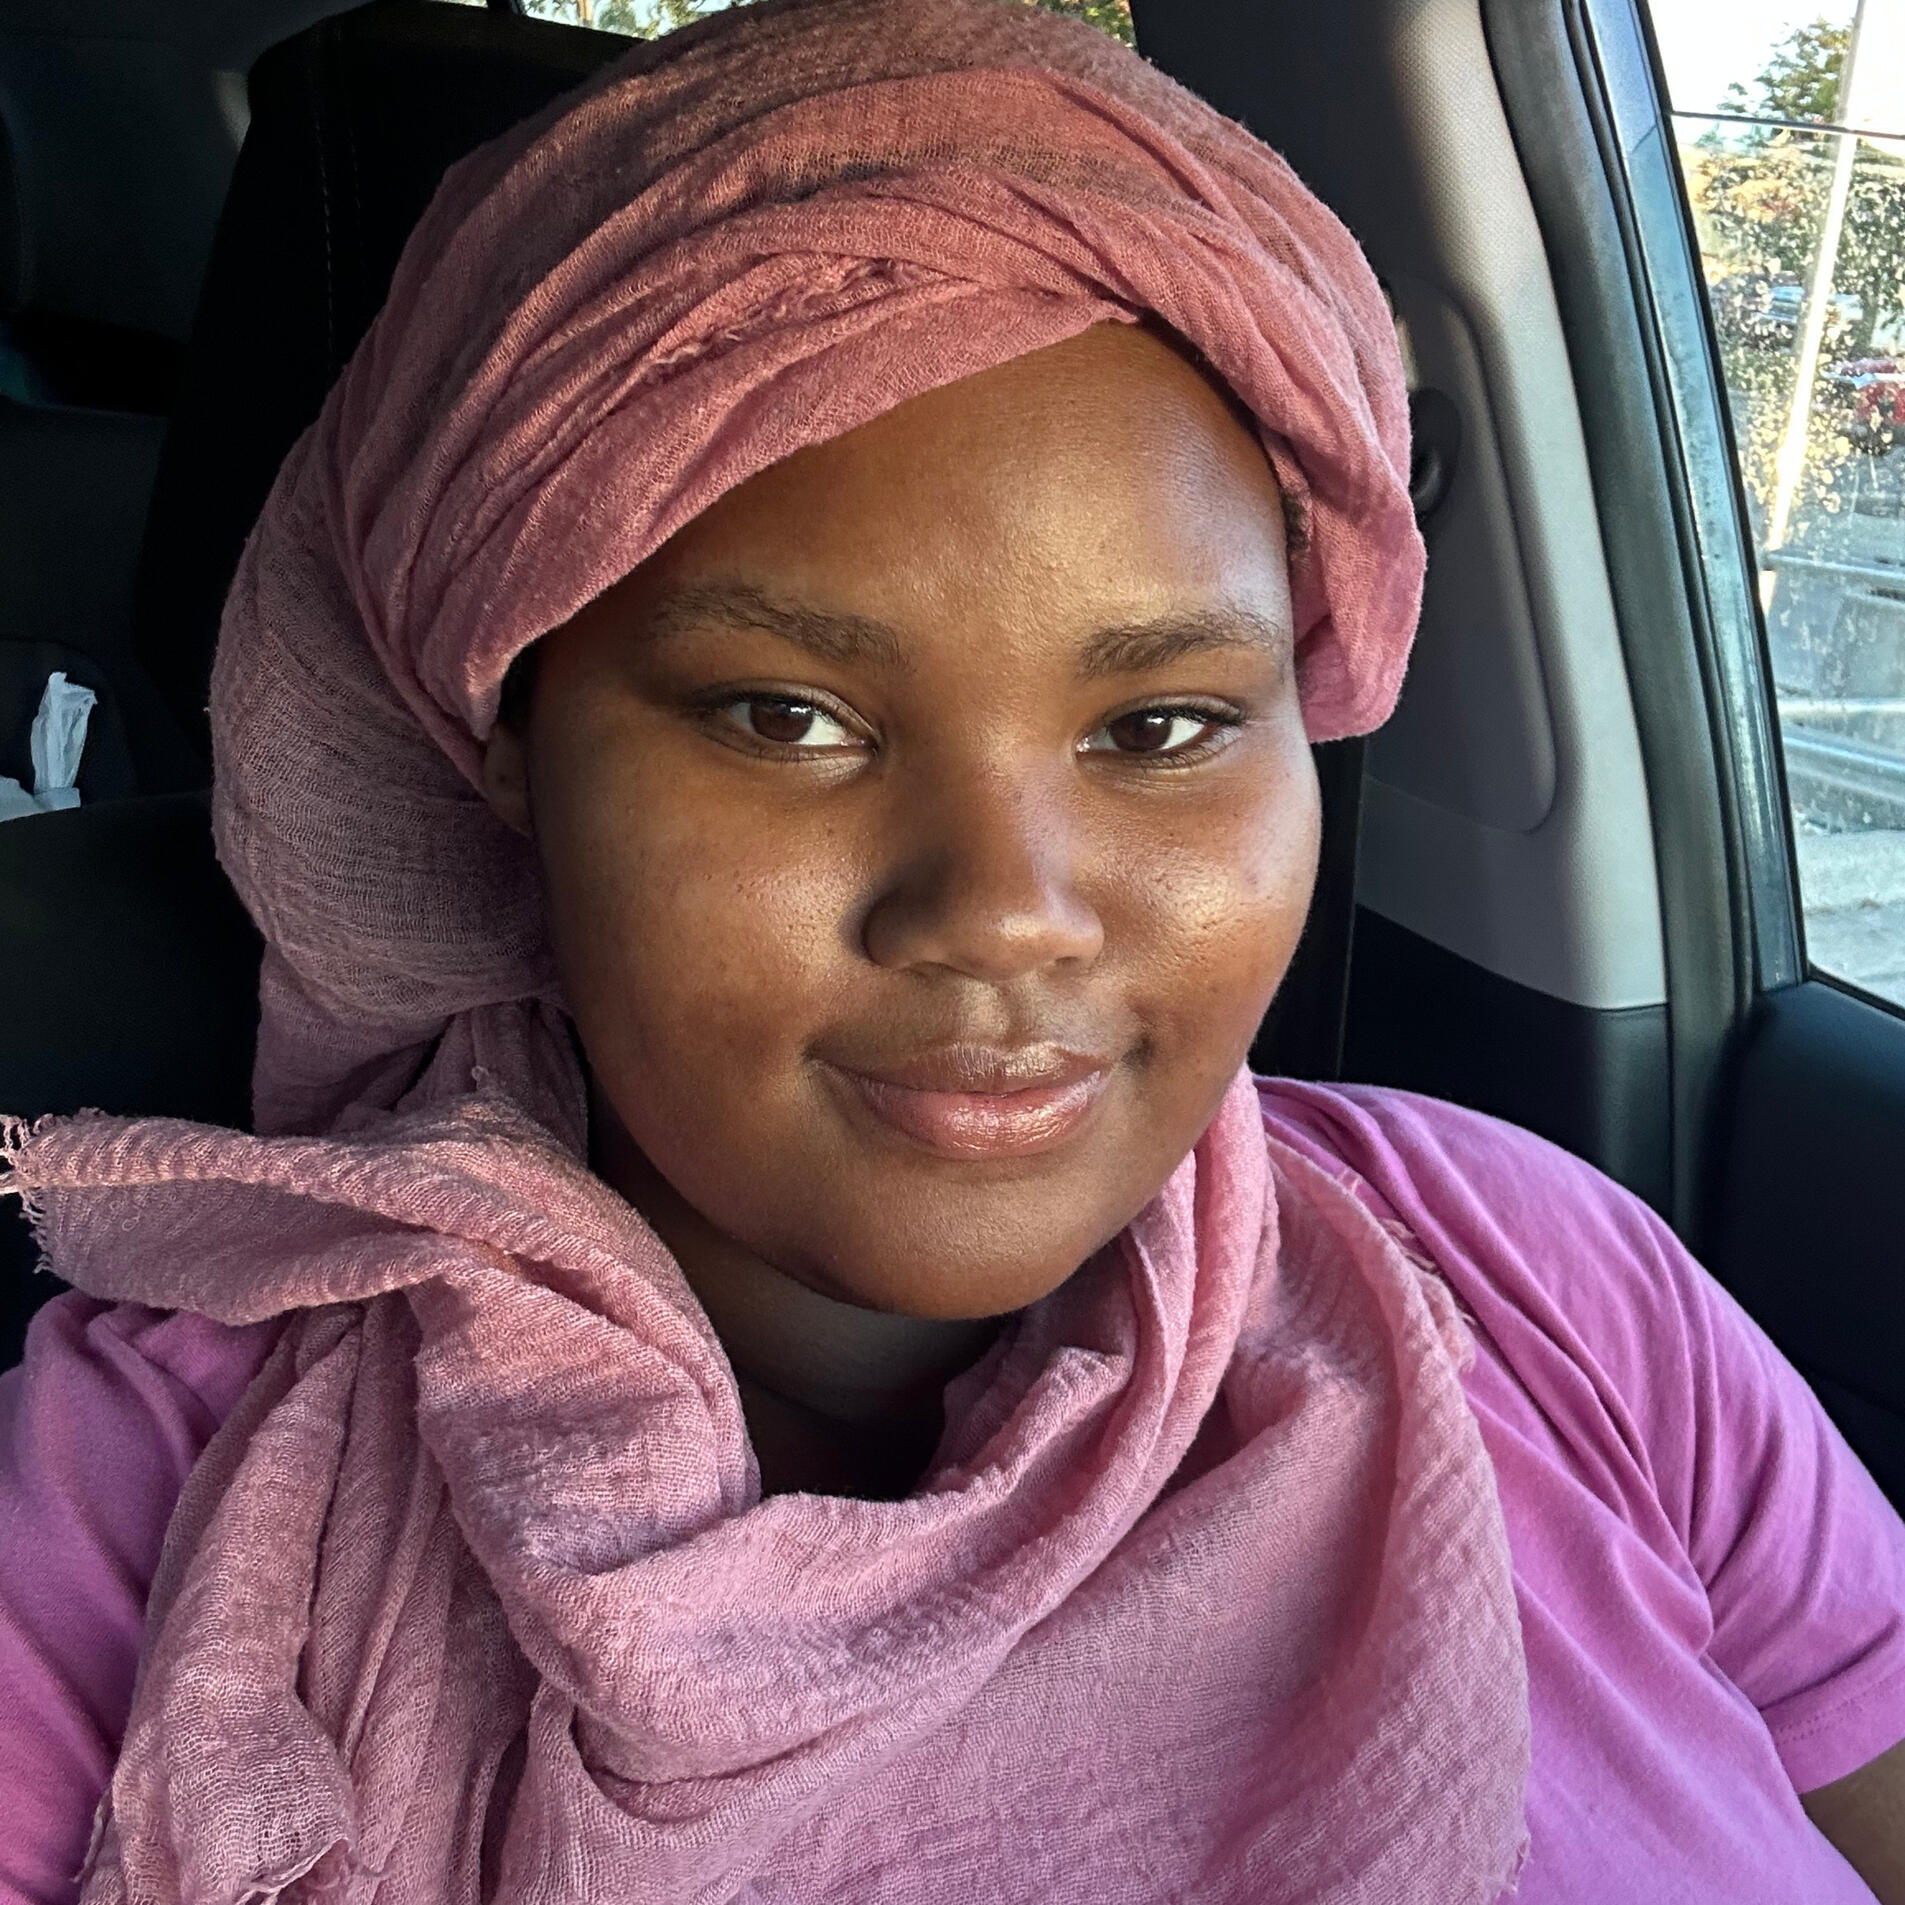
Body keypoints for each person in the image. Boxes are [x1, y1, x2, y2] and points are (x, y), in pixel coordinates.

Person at [2, 1, 1903, 1899]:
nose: (1004, 907)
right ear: (508, 736)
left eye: (1161, 725)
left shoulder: (1548, 1281)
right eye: (784, 718)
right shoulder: (135, 1506)